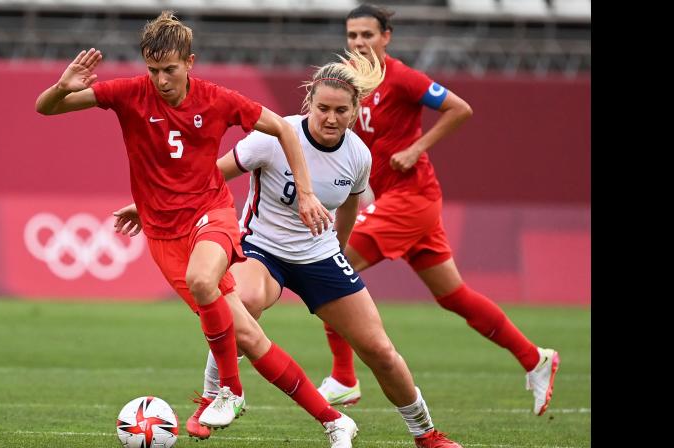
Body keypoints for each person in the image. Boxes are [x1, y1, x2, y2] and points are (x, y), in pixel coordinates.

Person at [115, 50, 463, 448]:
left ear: (354, 112)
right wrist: (148, 206)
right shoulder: (274, 137)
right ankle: (215, 396)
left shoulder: (358, 155)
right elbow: (211, 174)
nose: (331, 118)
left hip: (320, 257)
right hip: (262, 250)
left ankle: (426, 433)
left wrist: (341, 254)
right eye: (323, 108)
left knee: (381, 351)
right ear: (308, 104)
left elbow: (349, 206)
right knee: (238, 303)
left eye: (341, 111)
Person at [35, 10, 334, 431]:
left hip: (211, 213)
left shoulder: (217, 99)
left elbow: (284, 130)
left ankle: (227, 391)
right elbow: (46, 109)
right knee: (246, 335)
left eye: (170, 69)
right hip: (162, 232)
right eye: (153, 70)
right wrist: (61, 87)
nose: (160, 80)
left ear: (189, 63)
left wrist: (305, 192)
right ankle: (333, 420)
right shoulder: (128, 93)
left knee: (201, 280)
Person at [312, 4, 559, 417]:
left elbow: (460, 108)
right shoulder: (352, 84)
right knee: (454, 296)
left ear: (386, 37)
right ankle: (535, 358)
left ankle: (344, 378)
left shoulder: (404, 78)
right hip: (403, 201)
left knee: (329, 264)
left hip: (411, 198)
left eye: (367, 35)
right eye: (352, 35)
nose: (358, 42)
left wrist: (416, 148)